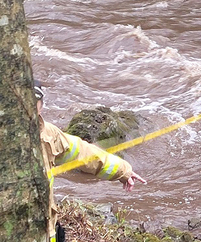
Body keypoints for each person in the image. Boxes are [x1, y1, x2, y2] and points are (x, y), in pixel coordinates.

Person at [35, 80, 146, 242]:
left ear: (41, 105)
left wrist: (123, 171)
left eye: (34, 100)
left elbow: (82, 153)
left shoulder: (49, 134)